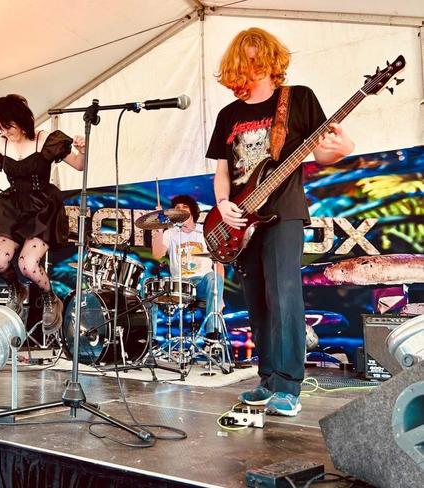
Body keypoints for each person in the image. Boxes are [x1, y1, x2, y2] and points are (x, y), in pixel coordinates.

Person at [206, 28, 354, 416]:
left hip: (283, 212)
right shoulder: (229, 115)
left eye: (258, 57)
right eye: (244, 59)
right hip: (239, 218)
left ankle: (289, 385)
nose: (251, 65)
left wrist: (343, 149)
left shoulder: (298, 98)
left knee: (284, 294)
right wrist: (222, 204)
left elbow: (322, 152)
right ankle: (268, 378)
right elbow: (222, 171)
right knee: (256, 300)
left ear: (272, 59)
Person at [0, 94, 85, 332]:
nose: (5, 131)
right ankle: (16, 289)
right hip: (13, 206)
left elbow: (80, 165)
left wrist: (83, 149)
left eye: (7, 125)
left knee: (28, 265)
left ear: (22, 120)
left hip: (42, 206)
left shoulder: (46, 140)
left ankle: (51, 297)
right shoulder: (2, 144)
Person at [151, 195, 224, 343]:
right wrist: (159, 227)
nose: (181, 209)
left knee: (213, 278)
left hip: (203, 283)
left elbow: (219, 263)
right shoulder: (170, 233)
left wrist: (219, 294)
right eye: (177, 208)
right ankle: (149, 339)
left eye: (185, 207)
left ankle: (213, 337)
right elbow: (157, 254)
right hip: (180, 284)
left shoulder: (204, 231)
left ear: (193, 211)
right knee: (149, 288)